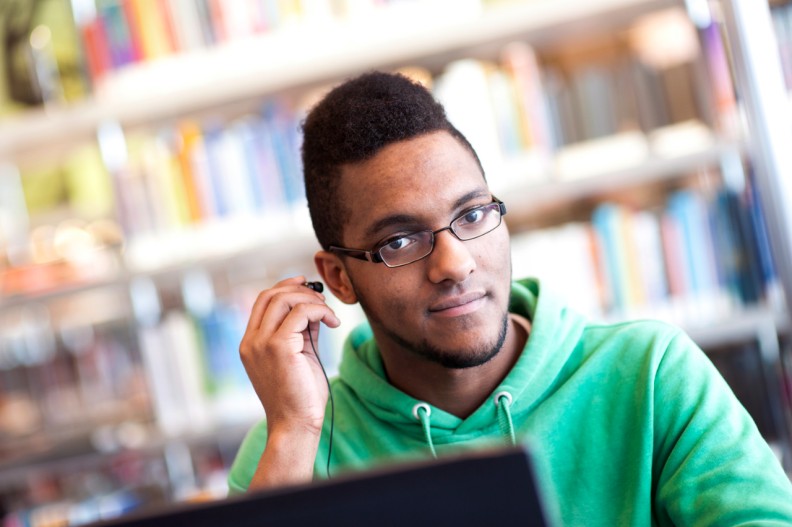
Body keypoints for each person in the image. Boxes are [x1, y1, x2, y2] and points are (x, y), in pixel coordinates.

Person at [228, 71, 792, 525]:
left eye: (472, 215)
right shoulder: (290, 444)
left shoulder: (650, 373)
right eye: (399, 241)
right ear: (339, 277)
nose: (455, 264)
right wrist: (296, 432)